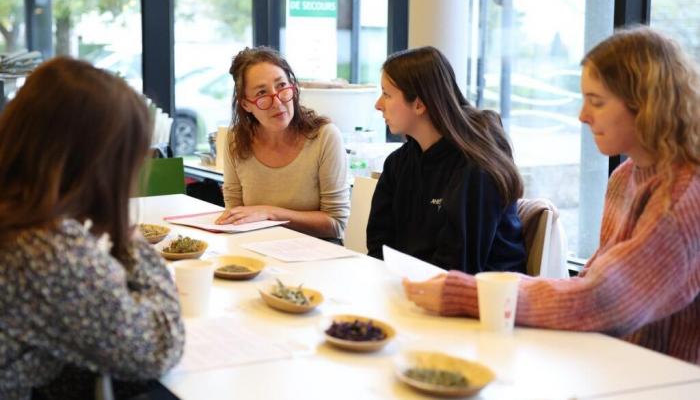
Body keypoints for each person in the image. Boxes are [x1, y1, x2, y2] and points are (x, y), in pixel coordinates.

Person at [403, 27, 700, 365]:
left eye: (597, 101)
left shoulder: (683, 197)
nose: (583, 115)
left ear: (646, 105)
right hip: (614, 361)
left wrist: (471, 294)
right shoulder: (626, 176)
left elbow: (606, 299)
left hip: (665, 377)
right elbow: (596, 279)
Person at [0, 57, 185, 399]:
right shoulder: (44, 251)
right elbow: (159, 344)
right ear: (97, 161)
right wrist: (131, 242)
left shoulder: (17, 216)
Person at [367, 46, 526, 273]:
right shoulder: (398, 164)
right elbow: (378, 245)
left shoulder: (476, 169)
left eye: (387, 94)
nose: (378, 104)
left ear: (419, 104)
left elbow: (459, 267)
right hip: (412, 291)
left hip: (479, 301)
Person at [216, 46, 350, 243]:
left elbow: (336, 223)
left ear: (293, 87)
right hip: (256, 248)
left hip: (317, 255)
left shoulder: (324, 137)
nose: (277, 102)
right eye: (262, 93)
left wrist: (271, 213)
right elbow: (236, 214)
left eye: (281, 86)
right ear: (246, 104)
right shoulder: (235, 140)